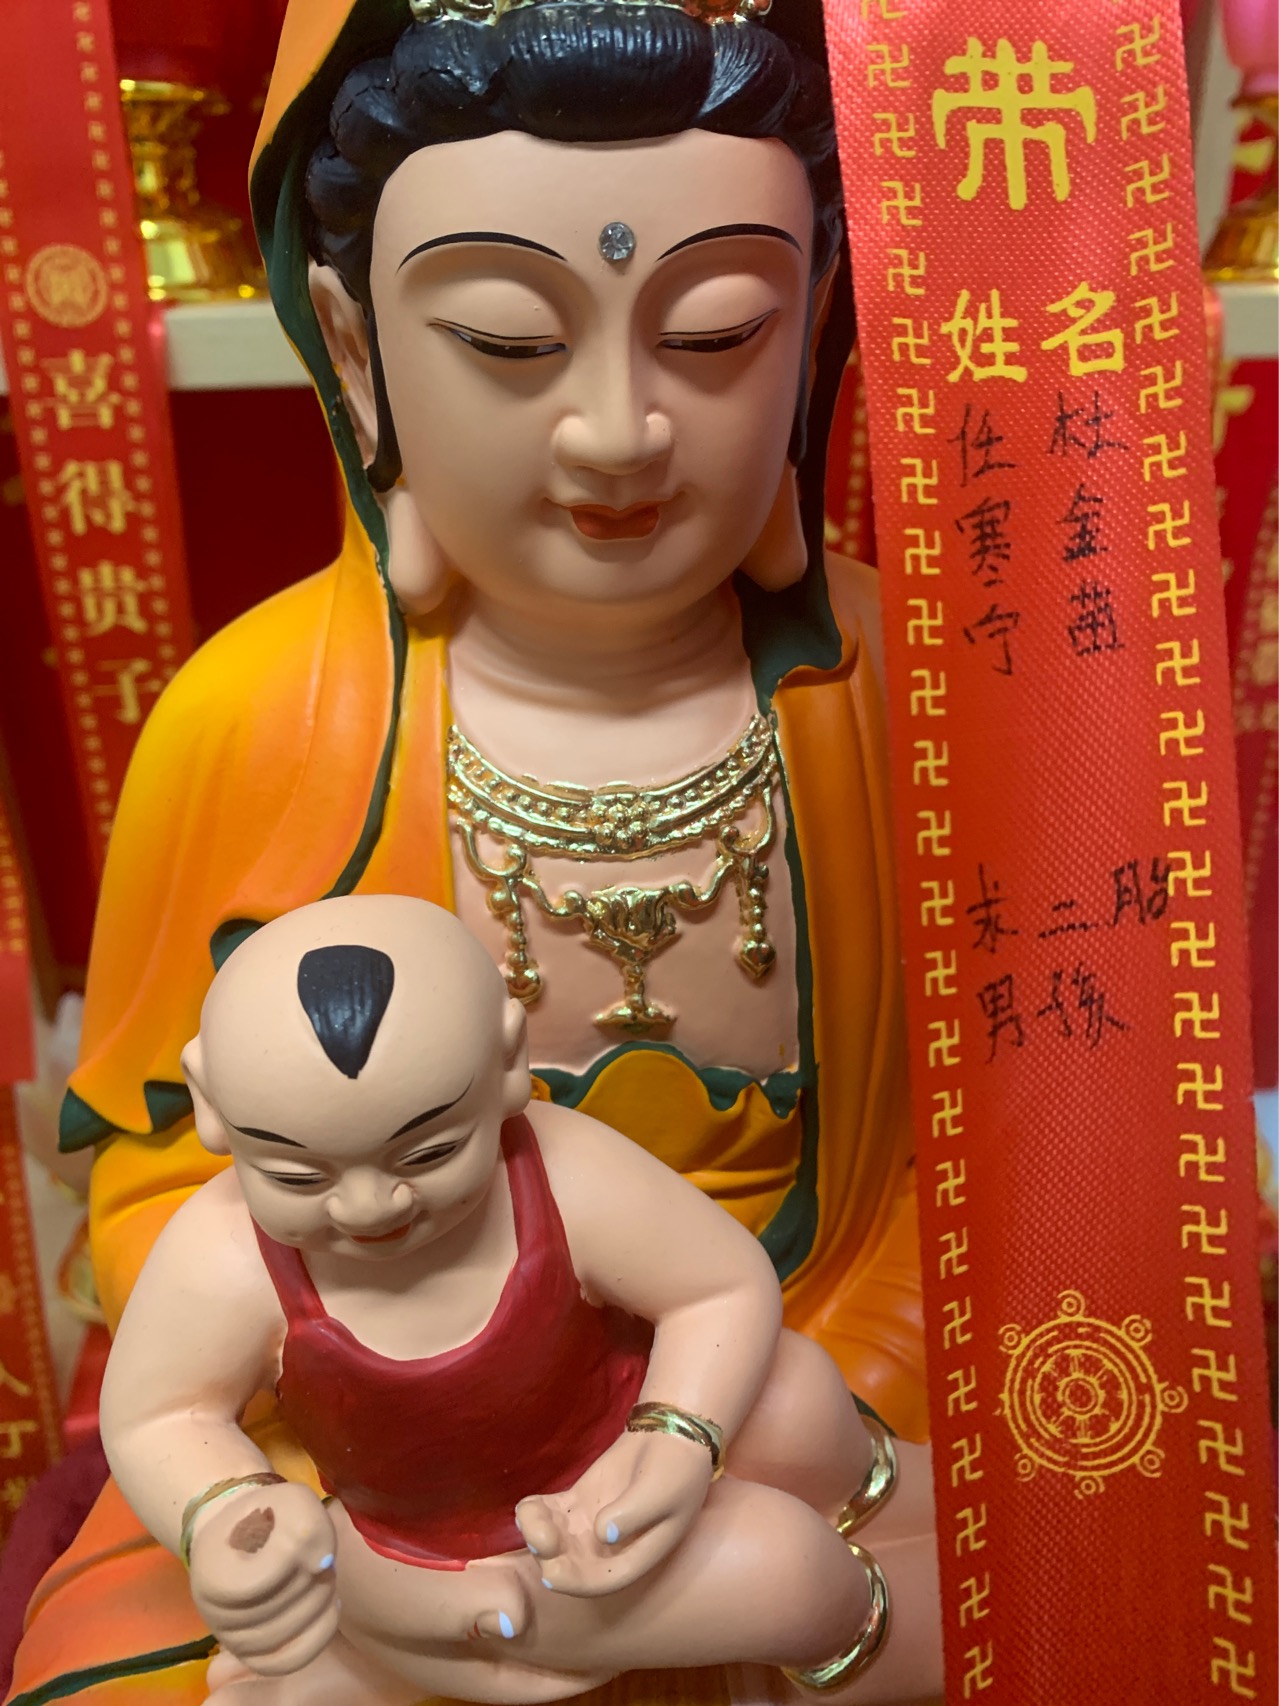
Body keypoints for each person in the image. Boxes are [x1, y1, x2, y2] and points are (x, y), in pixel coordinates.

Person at [9, 3, 936, 1702]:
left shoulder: (914, 702)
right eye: (509, 341)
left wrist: (731, 1413)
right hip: (372, 1438)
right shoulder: (253, 719)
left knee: (1068, 1595)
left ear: (812, 324)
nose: (616, 431)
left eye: (715, 333)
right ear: (357, 351)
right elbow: (149, 1184)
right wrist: (370, 1409)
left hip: (814, 1399)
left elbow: (1014, 1156)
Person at [104, 895, 919, 1703]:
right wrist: (224, 1514)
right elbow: (159, 1416)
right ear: (210, 1106)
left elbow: (719, 1286)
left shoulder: (560, 1174)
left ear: (506, 1064)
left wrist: (674, 1434)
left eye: (427, 1153)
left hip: (621, 1440)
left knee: (798, 1400)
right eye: (296, 1176)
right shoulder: (226, 1255)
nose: (368, 1207)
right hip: (457, 1569)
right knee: (790, 1575)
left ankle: (929, 1508)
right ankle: (874, 1639)